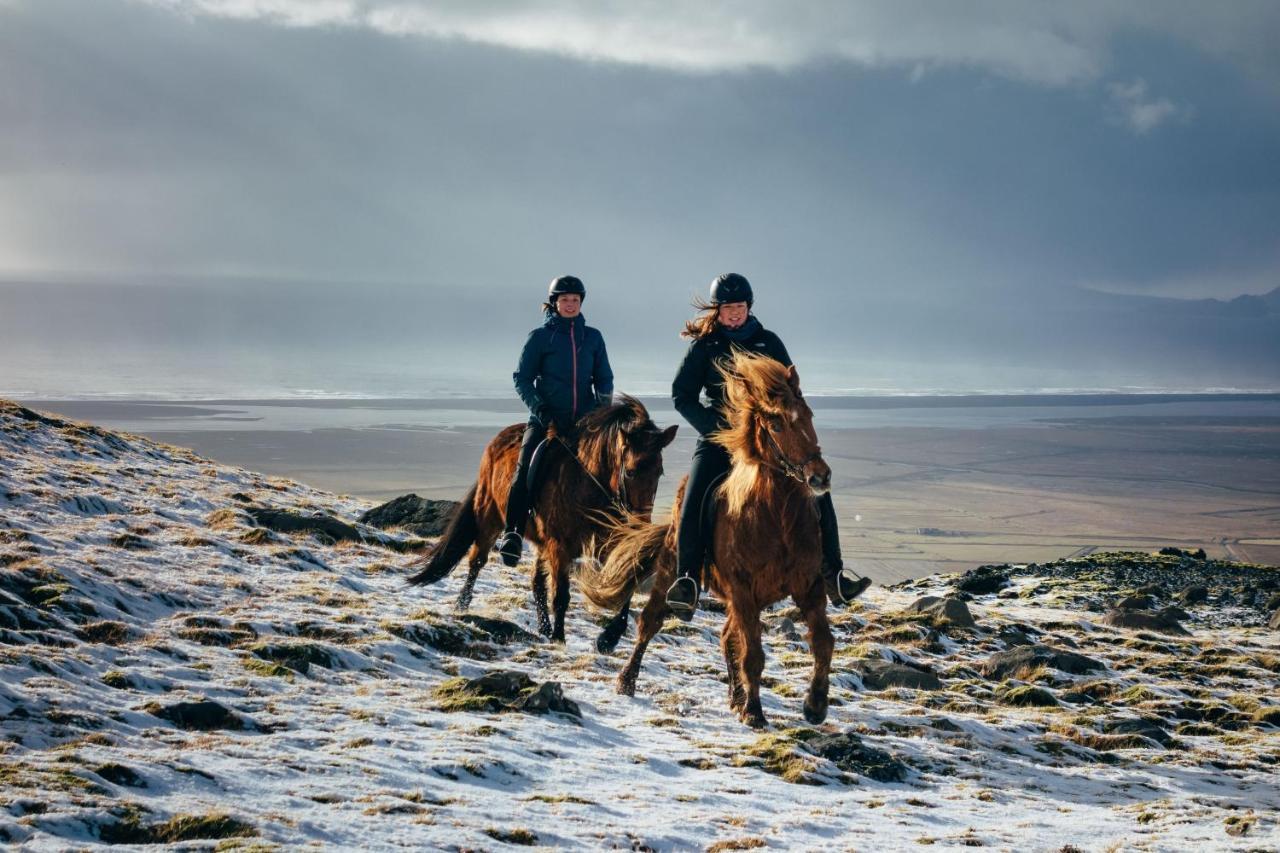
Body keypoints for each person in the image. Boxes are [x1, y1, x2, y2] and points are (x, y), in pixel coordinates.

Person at [664, 272, 870, 617]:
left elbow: (789, 389)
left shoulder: (768, 342)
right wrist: (714, 428)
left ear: (749, 306)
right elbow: (681, 395)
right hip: (720, 438)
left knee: (818, 487)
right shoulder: (705, 347)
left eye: (740, 306)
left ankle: (834, 575)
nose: (734, 313)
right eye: (728, 308)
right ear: (717, 310)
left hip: (768, 442)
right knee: (696, 495)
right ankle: (687, 580)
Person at [496, 275, 614, 567]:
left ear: (581, 303)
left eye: (575, 300)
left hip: (585, 423)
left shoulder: (593, 337)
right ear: (554, 303)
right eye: (564, 300)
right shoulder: (539, 337)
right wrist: (541, 410)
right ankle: (512, 533)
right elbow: (522, 379)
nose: (570, 304)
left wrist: (602, 412)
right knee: (526, 468)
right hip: (546, 420)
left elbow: (604, 378)